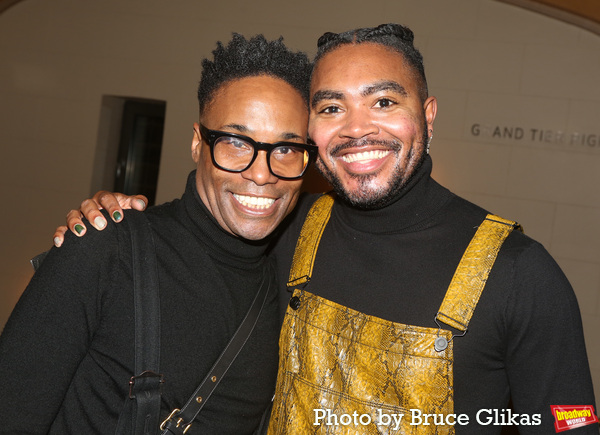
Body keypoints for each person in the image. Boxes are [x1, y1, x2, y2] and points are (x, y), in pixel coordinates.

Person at [53, 24, 598, 434]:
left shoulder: (522, 274)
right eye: (332, 107)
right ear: (311, 130)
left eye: (384, 101)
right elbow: (205, 227)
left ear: (428, 116)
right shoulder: (288, 231)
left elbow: (570, 420)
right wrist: (115, 219)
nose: (357, 129)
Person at [0, 33, 316, 434]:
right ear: (197, 143)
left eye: (286, 149)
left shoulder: (288, 289)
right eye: (236, 142)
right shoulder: (105, 248)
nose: (261, 172)